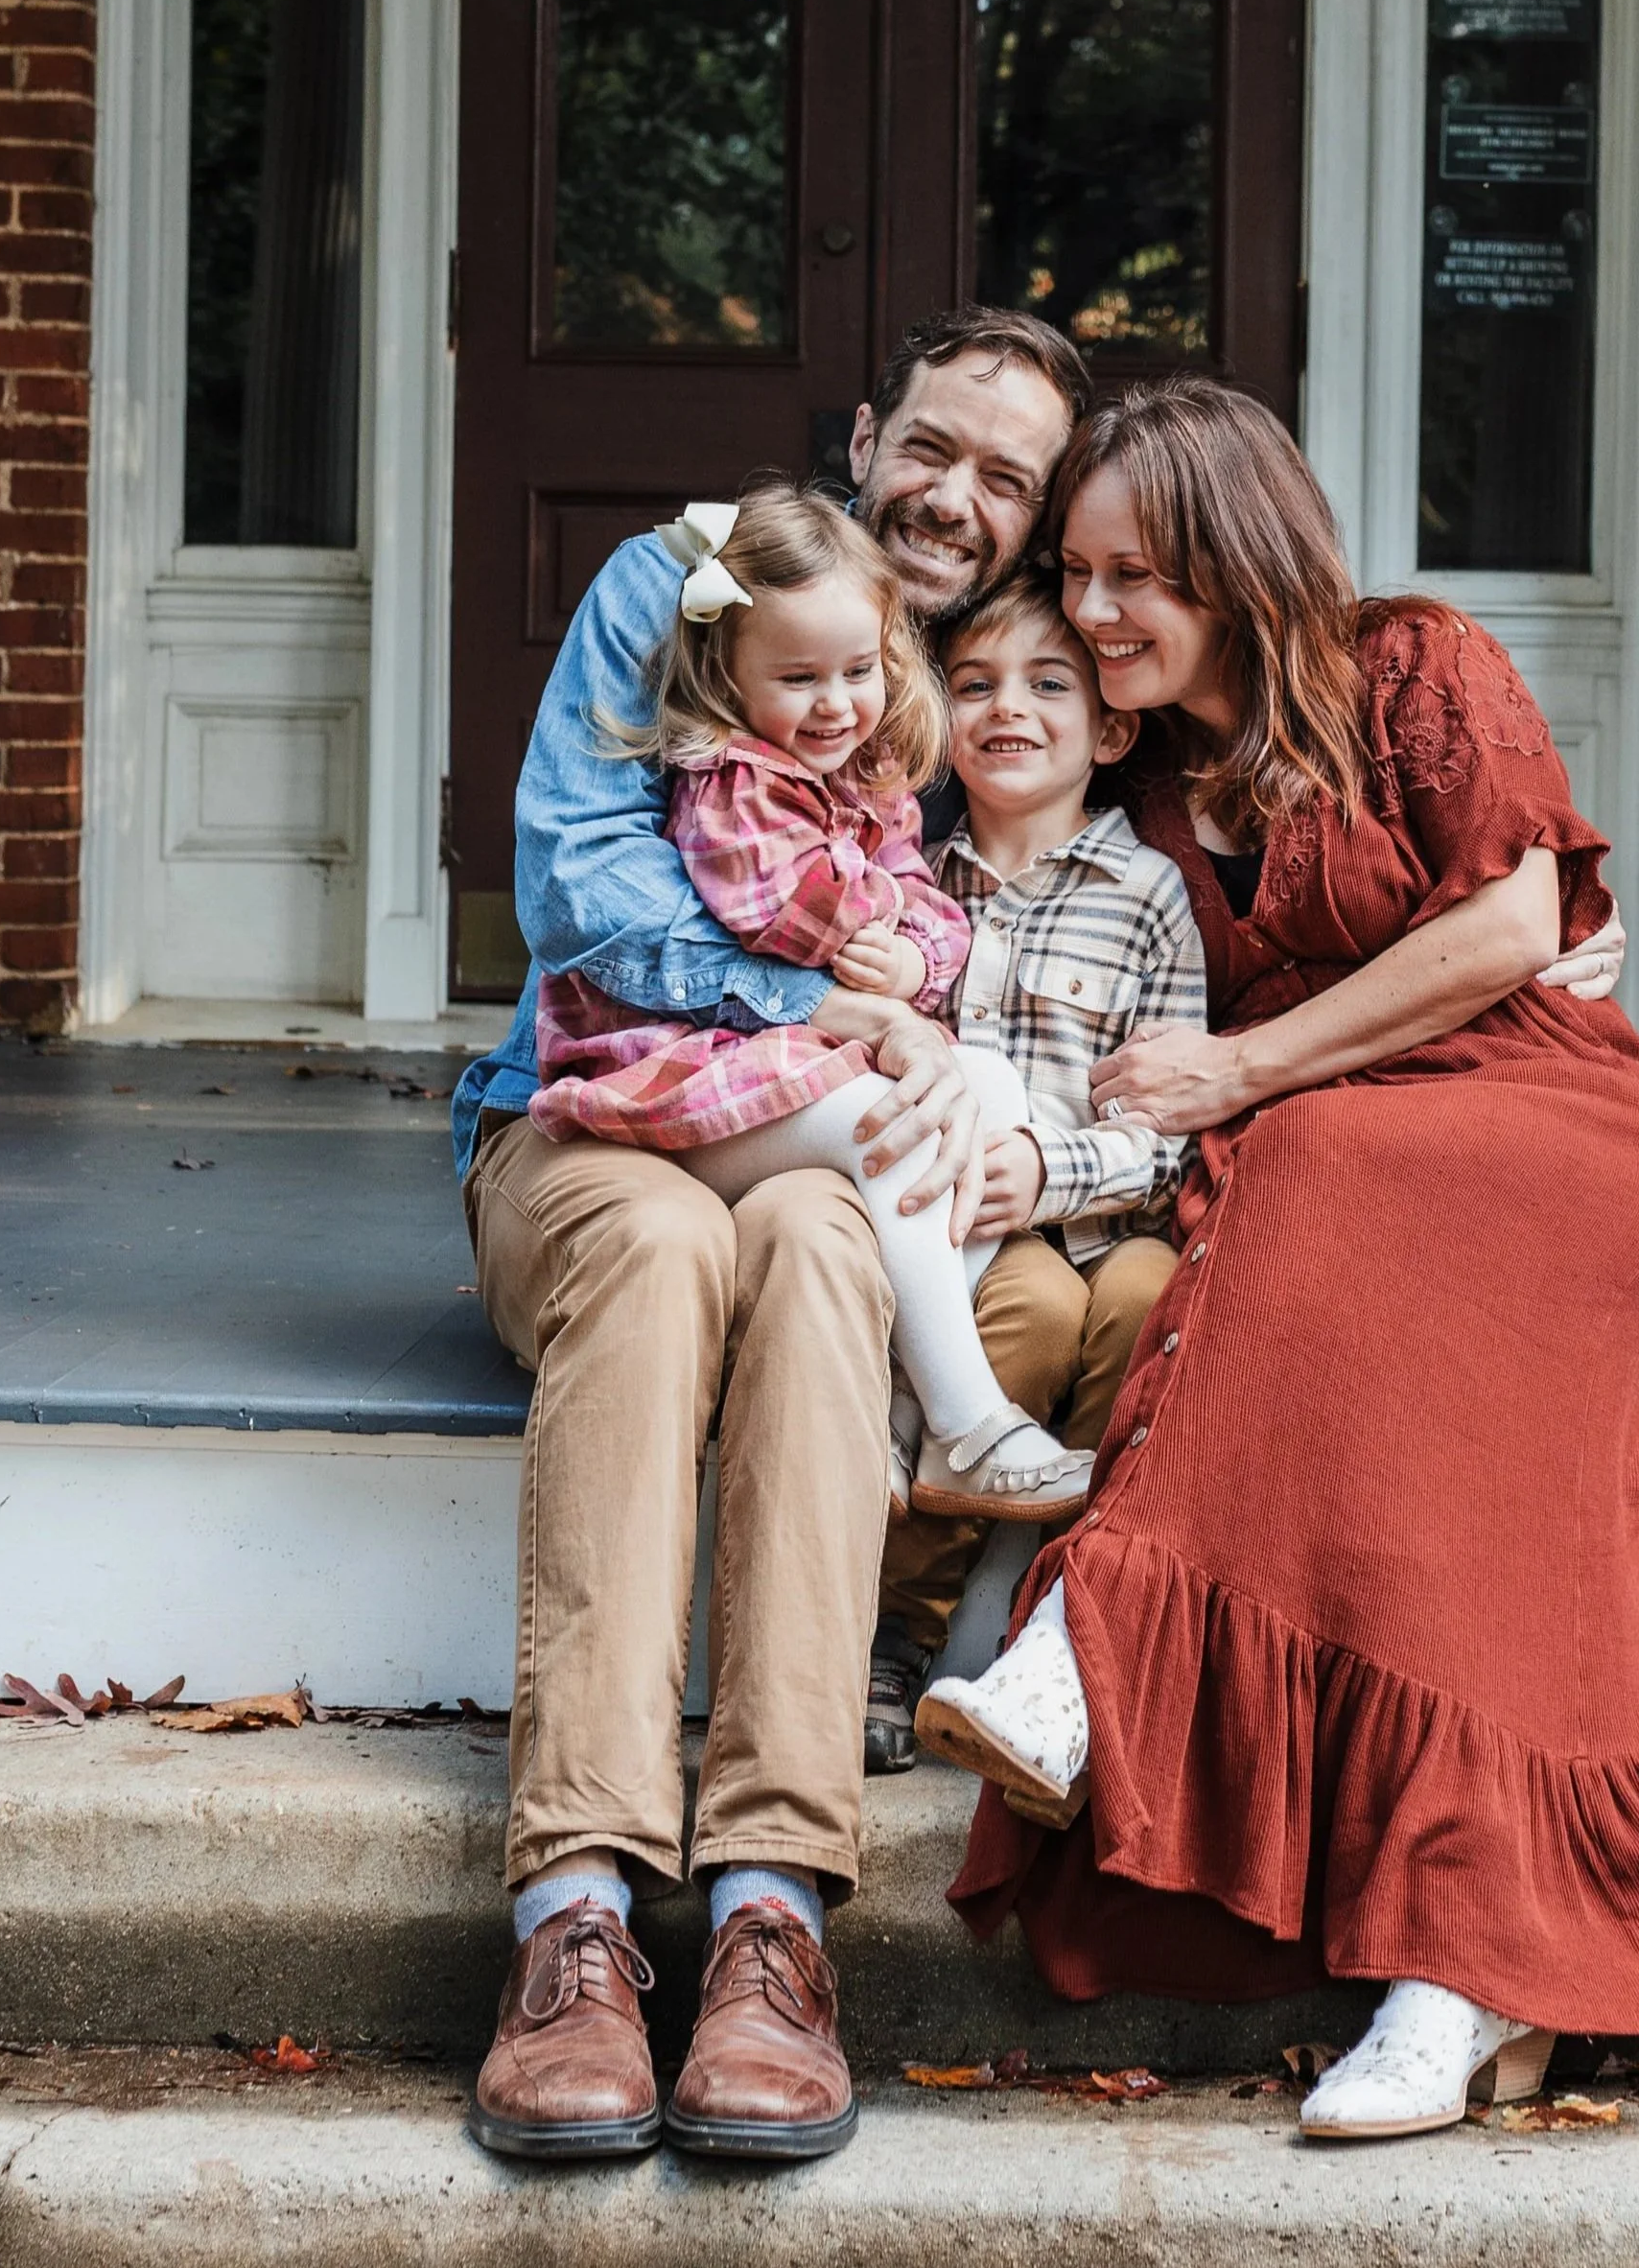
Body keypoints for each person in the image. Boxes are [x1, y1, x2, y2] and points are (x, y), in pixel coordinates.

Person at [922, 378, 1639, 2141]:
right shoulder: (1147, 766)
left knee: (1299, 1154)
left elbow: (1507, 923)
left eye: (1137, 578)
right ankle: (1456, 1967)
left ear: (1235, 561)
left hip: (1555, 1134)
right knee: (1346, 1301)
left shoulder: (1408, 666)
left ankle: (1092, 1656)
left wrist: (1250, 1065)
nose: (1096, 616)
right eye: (1079, 574)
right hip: (1342, 1168)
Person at [452, 307, 1096, 2166]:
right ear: (867, 426)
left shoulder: (995, 675)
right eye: (933, 445)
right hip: (590, 1119)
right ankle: (570, 1906)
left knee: (823, 1250)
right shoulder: (689, 583)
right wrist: (819, 1005)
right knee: (661, 1256)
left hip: (824, 1157)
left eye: (1004, 477)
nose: (952, 495)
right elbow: (578, 886)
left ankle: (766, 1914)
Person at [530, 484, 1090, 1512]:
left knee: (990, 1089)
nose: (836, 703)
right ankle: (967, 1419)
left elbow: (926, 911)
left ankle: (900, 1408)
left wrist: (918, 962)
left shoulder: (858, 777)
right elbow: (788, 907)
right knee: (899, 1124)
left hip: (787, 1065)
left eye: (859, 670)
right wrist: (888, 927)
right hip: (677, 1081)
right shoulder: (729, 778)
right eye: (798, 677)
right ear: (728, 676)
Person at [877, 572, 1207, 1694]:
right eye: (973, 684)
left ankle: (1073, 1633)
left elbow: (1168, 1122)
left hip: (1116, 1215)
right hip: (975, 1233)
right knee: (1021, 1308)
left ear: (1110, 727)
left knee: (1142, 1303)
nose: (1004, 706)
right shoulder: (913, 888)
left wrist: (1047, 1167)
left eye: (1046, 683)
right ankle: (898, 1627)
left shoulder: (1148, 893)